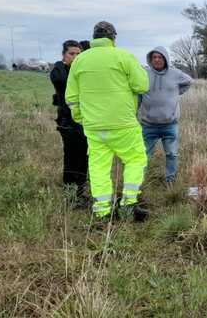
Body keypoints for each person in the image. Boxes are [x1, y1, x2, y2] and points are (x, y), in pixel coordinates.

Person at [65, 21, 150, 221]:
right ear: (113, 37)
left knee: (99, 168)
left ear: (94, 37)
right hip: (123, 124)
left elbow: (71, 97)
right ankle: (129, 204)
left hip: (93, 127)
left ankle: (102, 210)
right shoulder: (124, 56)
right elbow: (142, 85)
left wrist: (82, 118)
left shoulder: (80, 60)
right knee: (135, 160)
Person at [138, 47, 193, 184]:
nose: (157, 59)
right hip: (148, 125)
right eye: (154, 57)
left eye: (160, 57)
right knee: (143, 156)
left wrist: (176, 92)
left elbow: (189, 81)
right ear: (151, 59)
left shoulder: (175, 73)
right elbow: (137, 91)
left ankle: (170, 182)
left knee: (172, 154)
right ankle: (139, 183)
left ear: (166, 59)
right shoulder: (143, 73)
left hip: (169, 124)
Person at [50, 40, 88, 208]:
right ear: (64, 55)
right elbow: (61, 82)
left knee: (83, 159)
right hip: (68, 122)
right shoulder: (59, 70)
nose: (75, 57)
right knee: (72, 159)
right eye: (71, 54)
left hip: (83, 122)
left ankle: (80, 193)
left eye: (78, 54)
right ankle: (71, 197)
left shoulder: (81, 70)